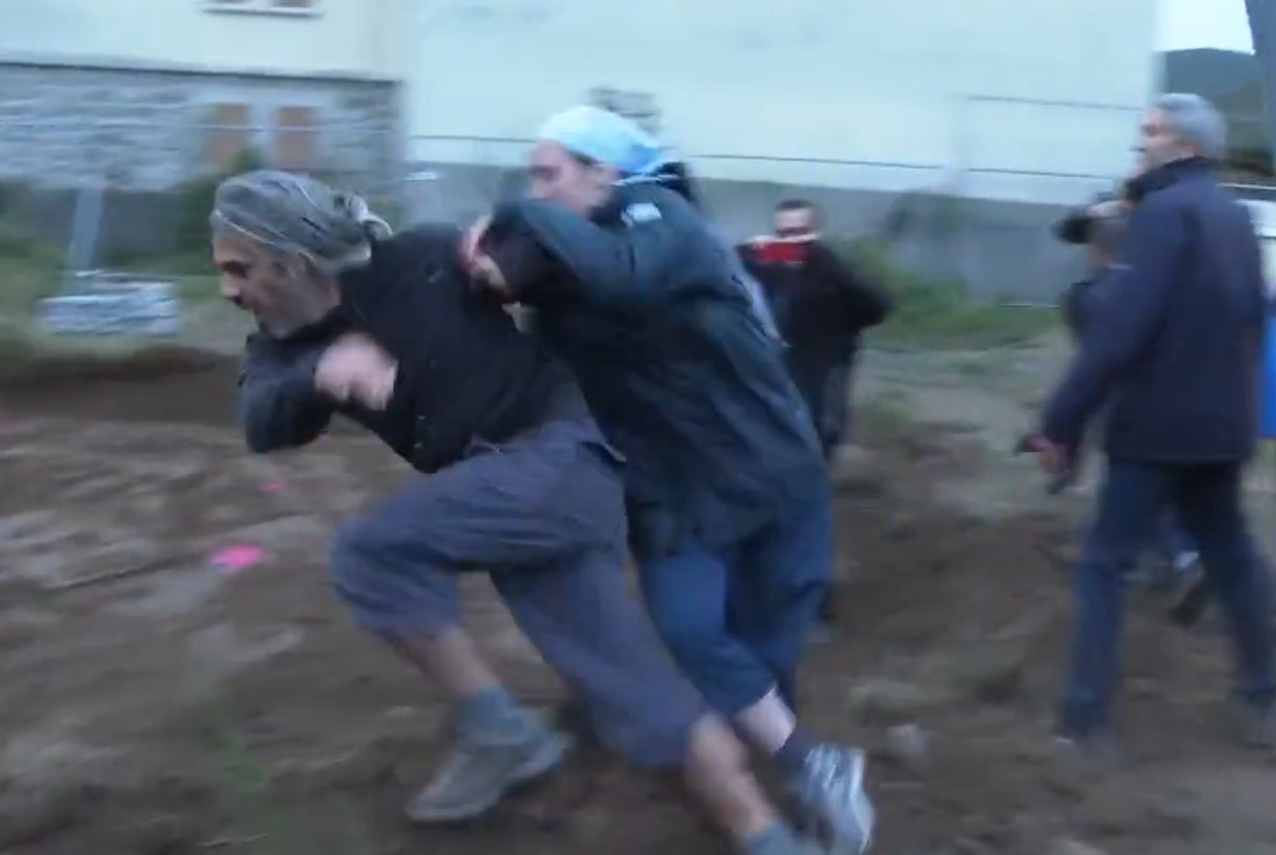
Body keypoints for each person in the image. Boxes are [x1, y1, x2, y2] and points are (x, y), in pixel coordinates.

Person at [213, 170, 826, 855]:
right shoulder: (281, 347)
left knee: (370, 552)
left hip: (561, 457)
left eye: (239, 269)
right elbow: (261, 418)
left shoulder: (420, 258)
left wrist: (505, 261)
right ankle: (772, 840)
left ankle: (496, 728)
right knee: (646, 702)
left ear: (289, 260)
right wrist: (318, 373)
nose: (229, 289)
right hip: (512, 504)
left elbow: (552, 251)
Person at [463, 106, 875, 854]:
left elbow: (627, 274)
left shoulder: (663, 219)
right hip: (673, 492)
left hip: (770, 472)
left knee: (768, 645)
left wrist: (513, 212)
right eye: (532, 176)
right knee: (689, 629)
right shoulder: (564, 269)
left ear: (605, 174)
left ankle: (776, 792)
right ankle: (812, 765)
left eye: (550, 173)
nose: (538, 188)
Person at [1030, 93, 1275, 751]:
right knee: (1234, 558)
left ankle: (1085, 722)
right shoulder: (1233, 215)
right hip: (1222, 428)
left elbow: (1121, 330)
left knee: (1105, 563)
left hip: (1156, 429)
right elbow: (1254, 315)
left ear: (1187, 145)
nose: (1141, 142)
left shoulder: (1163, 214)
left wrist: (1060, 420)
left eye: (1152, 132)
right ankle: (1263, 696)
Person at [1053, 198, 1204, 604]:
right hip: (1189, 398)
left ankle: (1185, 559)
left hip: (1128, 406)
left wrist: (1065, 437)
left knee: (1136, 488)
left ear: (1096, 248)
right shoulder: (1169, 286)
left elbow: (1092, 370)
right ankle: (1162, 561)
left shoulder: (1085, 297)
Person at [738, 199, 892, 461]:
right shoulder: (769, 268)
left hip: (826, 369)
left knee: (820, 435)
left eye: (800, 233)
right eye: (784, 234)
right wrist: (748, 250)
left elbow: (878, 307)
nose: (792, 241)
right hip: (780, 367)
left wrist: (825, 262)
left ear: (816, 232)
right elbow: (721, 261)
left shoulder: (833, 272)